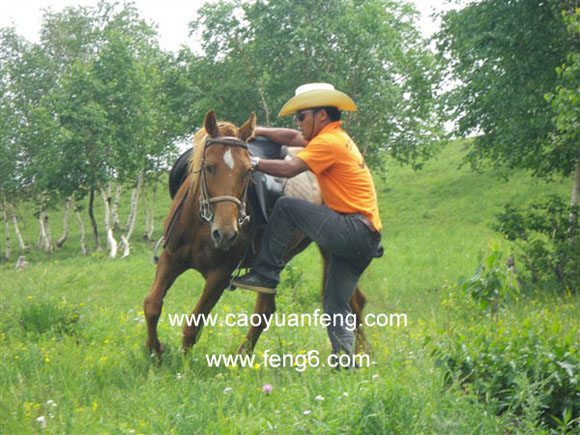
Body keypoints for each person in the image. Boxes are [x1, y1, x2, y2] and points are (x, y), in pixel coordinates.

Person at [233, 83, 382, 357]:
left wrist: (251, 163)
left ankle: (265, 273)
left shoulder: (328, 142)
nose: (298, 123)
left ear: (321, 116)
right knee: (335, 303)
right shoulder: (336, 137)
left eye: (302, 116)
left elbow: (290, 168)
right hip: (366, 238)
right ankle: (345, 364)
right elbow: (289, 137)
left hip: (350, 229)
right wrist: (260, 132)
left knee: (288, 206)